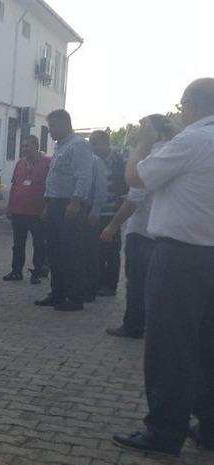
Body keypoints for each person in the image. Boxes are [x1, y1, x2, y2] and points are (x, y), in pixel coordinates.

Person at [113, 78, 214, 457]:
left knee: (170, 347)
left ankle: (164, 432)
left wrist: (143, 140)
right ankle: (210, 425)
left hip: (181, 257)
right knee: (208, 346)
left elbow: (136, 177)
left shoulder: (191, 140)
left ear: (190, 103)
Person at [101, 115, 175, 339]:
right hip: (164, 231)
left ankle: (134, 325)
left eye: (143, 126)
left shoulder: (153, 154)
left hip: (143, 230)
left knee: (137, 282)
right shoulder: (175, 151)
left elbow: (135, 196)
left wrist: (113, 226)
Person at [34, 109, 93, 312]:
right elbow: (55, 179)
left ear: (65, 124)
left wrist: (75, 202)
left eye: (52, 126)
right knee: (55, 252)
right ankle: (57, 293)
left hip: (69, 205)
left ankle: (75, 297)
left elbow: (83, 177)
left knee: (72, 252)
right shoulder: (60, 147)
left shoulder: (78, 145)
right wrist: (47, 206)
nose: (50, 131)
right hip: (54, 204)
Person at [4, 135, 50, 284]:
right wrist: (10, 206)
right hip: (18, 210)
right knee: (18, 244)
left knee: (38, 243)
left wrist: (47, 208)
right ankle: (16, 271)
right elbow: (14, 185)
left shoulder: (48, 163)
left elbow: (51, 187)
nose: (24, 149)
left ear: (36, 146)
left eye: (27, 146)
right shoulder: (20, 164)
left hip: (37, 211)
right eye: (23, 146)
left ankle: (37, 271)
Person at [89, 130, 128, 296]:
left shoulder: (119, 161)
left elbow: (126, 186)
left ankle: (110, 285)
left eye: (95, 143)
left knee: (111, 250)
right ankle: (96, 282)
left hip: (113, 212)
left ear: (106, 143)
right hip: (94, 212)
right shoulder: (91, 161)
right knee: (95, 249)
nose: (92, 147)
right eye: (91, 143)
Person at [82, 136, 110, 302]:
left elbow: (101, 188)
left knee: (90, 252)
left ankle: (90, 289)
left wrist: (96, 211)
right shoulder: (80, 161)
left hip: (89, 210)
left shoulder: (95, 162)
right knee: (79, 251)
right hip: (78, 210)